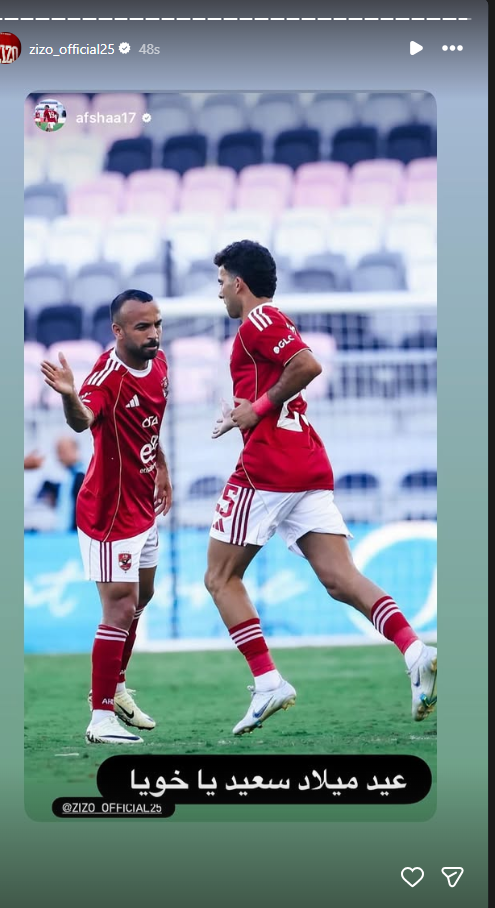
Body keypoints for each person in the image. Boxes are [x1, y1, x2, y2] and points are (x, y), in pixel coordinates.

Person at [205, 240, 437, 736]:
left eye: (222, 281)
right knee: (339, 578)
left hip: (268, 469)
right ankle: (415, 651)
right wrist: (244, 411)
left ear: (239, 284)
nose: (219, 291)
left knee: (220, 578)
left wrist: (257, 409)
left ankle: (268, 682)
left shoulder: (259, 320)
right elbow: (280, 381)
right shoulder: (266, 324)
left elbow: (307, 365)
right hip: (305, 462)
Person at [41, 290, 172, 745]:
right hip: (109, 512)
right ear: (117, 330)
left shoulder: (159, 364)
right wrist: (69, 396)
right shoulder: (105, 377)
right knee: (118, 607)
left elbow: (150, 425)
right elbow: (83, 420)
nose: (153, 334)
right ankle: (100, 719)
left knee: (142, 597)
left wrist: (161, 469)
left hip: (143, 504)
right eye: (142, 327)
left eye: (157, 324)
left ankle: (114, 687)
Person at [35, 436, 86, 532]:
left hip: (76, 534)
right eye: (58, 452)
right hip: (65, 534)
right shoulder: (68, 478)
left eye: (62, 452)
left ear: (75, 450)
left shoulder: (84, 477)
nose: (59, 457)